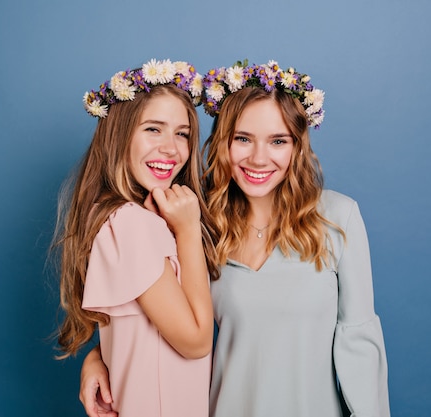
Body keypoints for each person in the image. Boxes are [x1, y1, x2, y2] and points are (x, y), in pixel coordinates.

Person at [79, 60, 390, 417]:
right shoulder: (194, 218)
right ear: (222, 141)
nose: (258, 158)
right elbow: (153, 316)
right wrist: (97, 357)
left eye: (277, 141)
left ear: (297, 146)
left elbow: (360, 343)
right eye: (243, 139)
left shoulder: (338, 217)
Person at [53, 58, 219, 417]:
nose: (171, 149)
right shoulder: (133, 224)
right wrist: (188, 231)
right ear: (119, 135)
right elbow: (195, 342)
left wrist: (96, 356)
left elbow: (140, 327)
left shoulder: (133, 219)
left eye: (182, 133)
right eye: (153, 129)